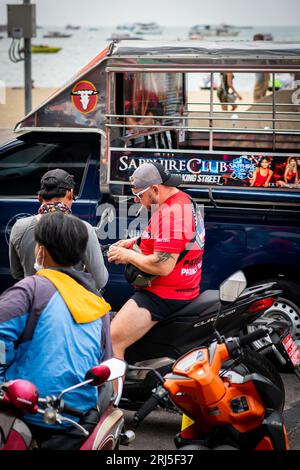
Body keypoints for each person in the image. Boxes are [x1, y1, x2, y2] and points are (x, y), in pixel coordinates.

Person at [0, 212, 111, 438]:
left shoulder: (29, 289)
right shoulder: (99, 305)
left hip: (27, 412)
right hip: (77, 419)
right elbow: (103, 365)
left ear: (40, 250)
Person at [108, 162, 205, 359]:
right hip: (180, 288)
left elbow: (162, 265)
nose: (137, 201)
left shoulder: (172, 215)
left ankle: (113, 390)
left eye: (139, 195)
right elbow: (172, 242)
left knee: (111, 341)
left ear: (154, 189)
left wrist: (127, 255)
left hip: (162, 295)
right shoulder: (182, 200)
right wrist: (132, 242)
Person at [9, 168, 108, 291]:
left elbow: (17, 273)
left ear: (39, 197)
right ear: (71, 194)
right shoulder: (85, 229)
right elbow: (100, 280)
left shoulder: (19, 226)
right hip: (68, 304)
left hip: (33, 300)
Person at [253, 34, 270, 102]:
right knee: (260, 98)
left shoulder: (261, 51)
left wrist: (266, 82)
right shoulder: (261, 50)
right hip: (261, 78)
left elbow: (265, 67)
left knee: (257, 99)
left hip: (261, 79)